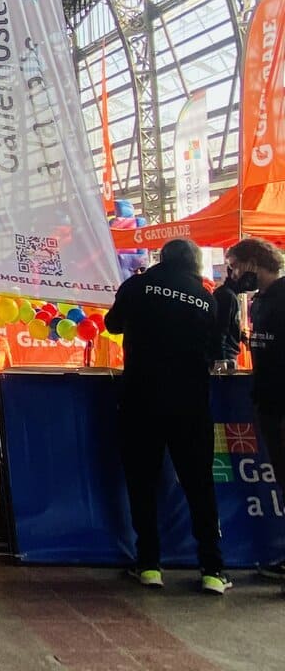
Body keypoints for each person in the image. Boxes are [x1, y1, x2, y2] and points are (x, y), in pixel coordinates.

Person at [104, 238, 231, 594]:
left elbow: (112, 325)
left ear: (162, 258)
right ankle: (212, 569)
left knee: (142, 482)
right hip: (190, 403)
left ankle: (149, 565)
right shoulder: (205, 298)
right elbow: (213, 347)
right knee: (199, 484)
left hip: (140, 398)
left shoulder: (137, 286)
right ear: (194, 263)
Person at [224, 238, 285, 580]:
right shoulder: (259, 302)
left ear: (252, 264)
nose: (232, 274)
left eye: (234, 266)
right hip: (270, 402)